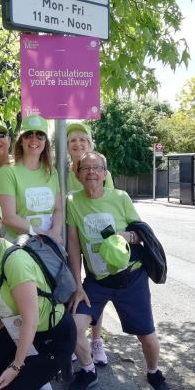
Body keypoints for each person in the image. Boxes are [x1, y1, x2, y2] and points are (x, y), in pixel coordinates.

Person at [0, 193, 90, 390]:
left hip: (53, 337)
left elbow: (32, 320)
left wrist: (16, 366)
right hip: (18, 331)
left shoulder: (14, 261)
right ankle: (33, 384)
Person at [66, 151, 172, 390]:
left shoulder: (121, 198)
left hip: (131, 279)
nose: (91, 172)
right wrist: (77, 284)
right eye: (85, 168)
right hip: (96, 282)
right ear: (78, 174)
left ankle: (154, 372)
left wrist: (126, 236)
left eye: (97, 167)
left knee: (146, 334)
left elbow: (141, 234)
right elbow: (73, 245)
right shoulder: (73, 201)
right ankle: (88, 370)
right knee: (71, 327)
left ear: (105, 173)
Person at [66, 122, 113, 366]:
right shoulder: (61, 172)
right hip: (71, 237)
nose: (78, 144)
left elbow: (109, 209)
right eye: (72, 140)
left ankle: (96, 341)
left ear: (90, 143)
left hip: (95, 239)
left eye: (82, 139)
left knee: (98, 289)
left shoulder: (100, 169)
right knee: (74, 288)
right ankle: (76, 340)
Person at [0, 115, 63, 243]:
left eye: (40, 135)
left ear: (45, 141)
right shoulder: (8, 171)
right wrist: (44, 235)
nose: (34, 139)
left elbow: (58, 209)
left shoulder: (51, 172)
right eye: (28, 134)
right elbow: (8, 217)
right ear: (21, 140)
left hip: (49, 244)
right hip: (19, 245)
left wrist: (56, 231)